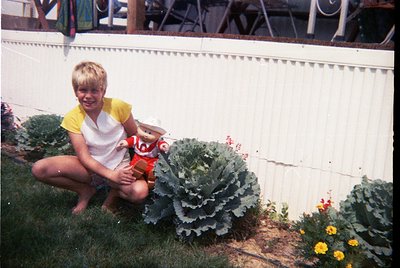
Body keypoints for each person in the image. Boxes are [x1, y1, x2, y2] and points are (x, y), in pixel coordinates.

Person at [31, 61, 147, 214]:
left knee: (140, 193)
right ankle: (85, 191)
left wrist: (132, 167)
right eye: (83, 90)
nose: (88, 96)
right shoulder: (72, 117)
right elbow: (84, 157)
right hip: (90, 168)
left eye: (94, 90)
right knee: (39, 169)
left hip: (120, 165)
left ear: (103, 91)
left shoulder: (118, 107)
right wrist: (110, 175)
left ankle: (114, 193)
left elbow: (135, 137)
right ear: (75, 91)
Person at [116, 117, 169, 190]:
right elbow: (130, 141)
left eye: (150, 133)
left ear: (158, 135)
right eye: (144, 131)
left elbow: (161, 144)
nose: (146, 135)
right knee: (134, 165)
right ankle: (135, 173)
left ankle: (151, 178)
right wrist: (124, 143)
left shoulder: (156, 142)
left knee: (152, 168)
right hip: (138, 158)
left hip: (151, 160)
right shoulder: (137, 139)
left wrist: (164, 146)